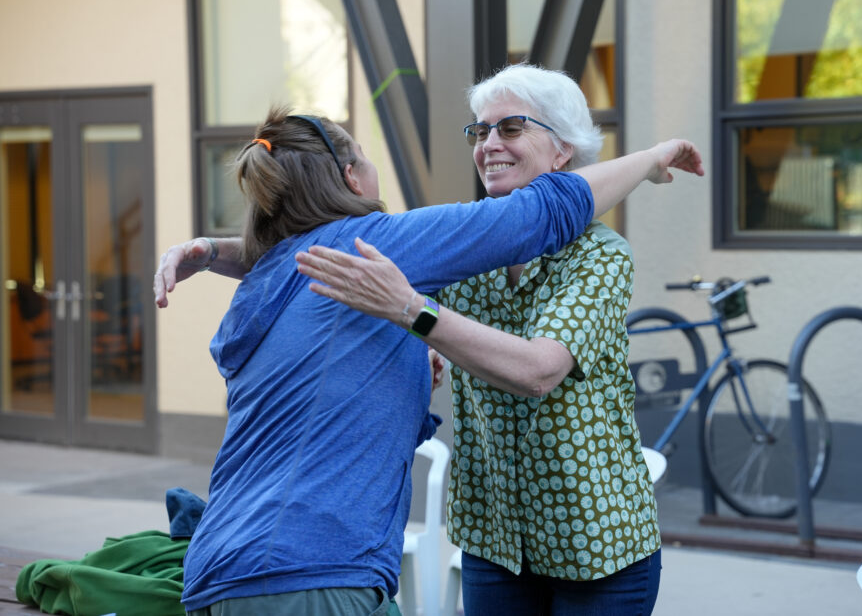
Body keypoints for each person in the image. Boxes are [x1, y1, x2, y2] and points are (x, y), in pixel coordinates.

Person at [154, 95, 703, 616]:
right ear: (350, 177)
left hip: (220, 571)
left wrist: (211, 252)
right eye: (481, 130)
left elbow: (324, 363)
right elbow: (539, 214)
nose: (490, 142)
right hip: (313, 571)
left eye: (511, 128)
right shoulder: (374, 245)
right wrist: (653, 157)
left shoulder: (273, 278)